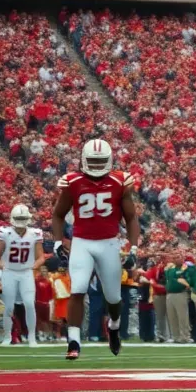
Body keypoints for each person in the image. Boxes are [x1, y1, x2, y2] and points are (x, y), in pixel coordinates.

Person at [51, 139, 141, 359]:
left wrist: (134, 246)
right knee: (78, 289)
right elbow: (58, 214)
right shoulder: (72, 182)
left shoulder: (120, 182)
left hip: (109, 242)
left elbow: (131, 217)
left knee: (113, 298)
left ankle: (114, 326)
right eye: (93, 161)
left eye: (100, 161)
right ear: (83, 160)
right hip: (82, 242)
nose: (97, 165)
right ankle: (73, 342)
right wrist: (57, 240)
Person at [0, 204, 44, 346]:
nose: (20, 221)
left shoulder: (34, 234)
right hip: (10, 272)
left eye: (22, 218)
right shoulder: (5, 233)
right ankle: (7, 336)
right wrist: (3, 267)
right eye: (19, 218)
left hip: (26, 272)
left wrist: (35, 265)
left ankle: (32, 337)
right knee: (8, 307)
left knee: (29, 304)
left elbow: (41, 257)